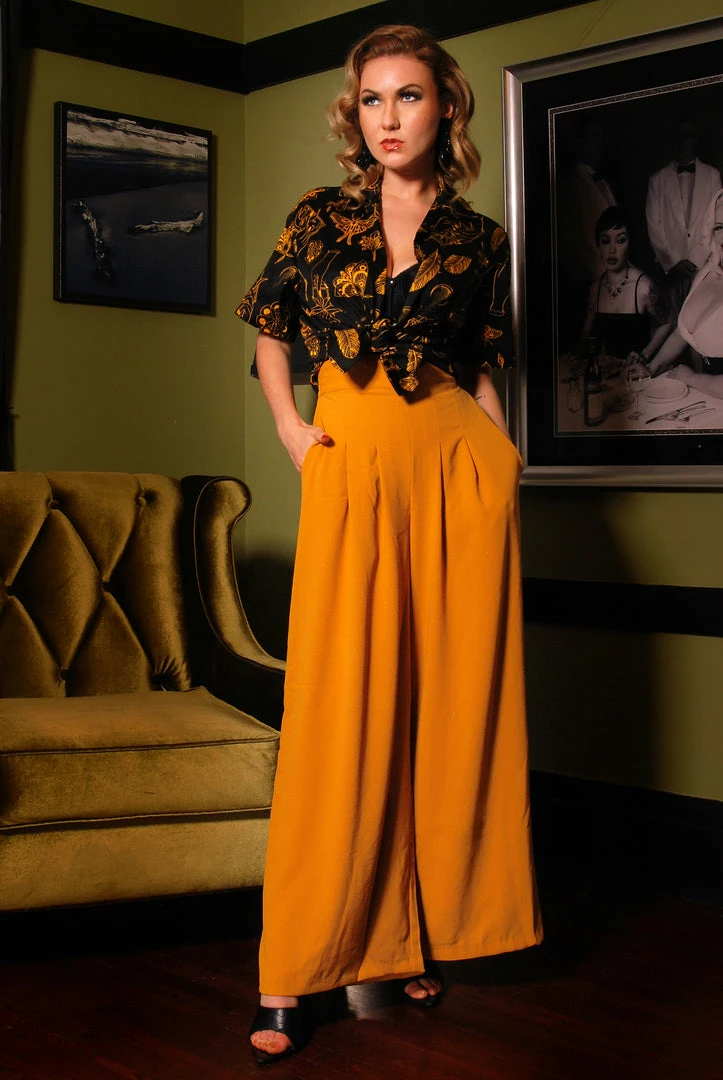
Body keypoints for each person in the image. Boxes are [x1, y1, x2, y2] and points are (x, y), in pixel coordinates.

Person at [236, 24, 542, 1064]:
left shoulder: (479, 238)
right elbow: (270, 328)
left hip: (455, 468)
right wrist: (291, 429)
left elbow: (483, 363)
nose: (389, 118)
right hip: (352, 457)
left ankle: (419, 932)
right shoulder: (318, 216)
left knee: (445, 704)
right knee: (340, 705)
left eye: (408, 96)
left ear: (444, 107)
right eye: (372, 100)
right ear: (354, 114)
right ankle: (292, 969)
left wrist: (501, 464)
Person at [632, 188, 723, 395]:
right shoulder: (708, 272)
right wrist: (650, 369)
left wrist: (691, 378)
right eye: (719, 227)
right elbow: (682, 332)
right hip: (706, 394)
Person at [645, 113, 721, 314]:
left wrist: (696, 259)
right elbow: (654, 226)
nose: (683, 141)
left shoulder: (713, 176)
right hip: (670, 273)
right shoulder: (657, 180)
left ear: (695, 139)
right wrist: (673, 262)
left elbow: (714, 222)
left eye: (688, 135)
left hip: (703, 267)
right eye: (679, 135)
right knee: (671, 320)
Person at [577, 206, 672, 364]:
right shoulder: (596, 289)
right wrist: (578, 355)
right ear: (598, 246)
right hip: (606, 372)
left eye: (620, 240)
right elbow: (586, 335)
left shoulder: (644, 287)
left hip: (636, 373)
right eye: (605, 241)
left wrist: (645, 355)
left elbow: (668, 323)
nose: (612, 250)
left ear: (630, 243)